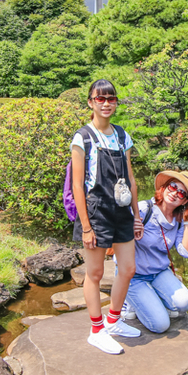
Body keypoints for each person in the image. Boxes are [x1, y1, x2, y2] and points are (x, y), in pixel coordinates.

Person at [70, 80, 144, 355]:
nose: (106, 103)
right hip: (97, 211)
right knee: (95, 273)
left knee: (128, 268)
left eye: (111, 98)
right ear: (90, 102)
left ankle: (113, 321)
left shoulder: (122, 136)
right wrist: (86, 227)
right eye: (100, 99)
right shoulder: (83, 137)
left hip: (122, 210)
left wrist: (136, 216)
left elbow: (131, 179)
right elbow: (78, 186)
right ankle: (96, 330)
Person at [118, 170, 188, 334]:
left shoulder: (178, 220)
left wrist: (187, 220)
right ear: (164, 187)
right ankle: (129, 300)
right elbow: (116, 233)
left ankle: (149, 298)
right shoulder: (144, 209)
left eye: (182, 193)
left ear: (185, 201)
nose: (175, 193)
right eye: (173, 187)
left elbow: (186, 252)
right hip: (134, 275)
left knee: (185, 303)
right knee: (160, 325)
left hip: (159, 272)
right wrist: (129, 230)